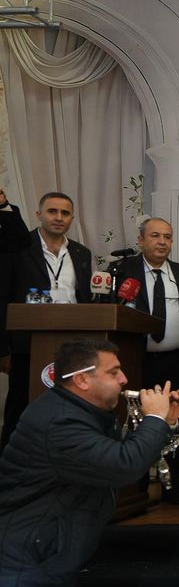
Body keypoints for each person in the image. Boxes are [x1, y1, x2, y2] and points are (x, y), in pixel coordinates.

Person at [0, 339, 179, 587]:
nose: (124, 379)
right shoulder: (59, 422)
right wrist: (154, 419)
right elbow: (123, 465)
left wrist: (163, 422)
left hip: (51, 568)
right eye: (113, 372)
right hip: (24, 575)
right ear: (82, 379)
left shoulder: (81, 414)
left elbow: (115, 455)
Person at [0, 192, 93, 451]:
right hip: (26, 346)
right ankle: (9, 469)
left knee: (68, 409)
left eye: (65, 213)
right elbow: (3, 296)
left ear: (72, 218)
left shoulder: (81, 252)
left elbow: (83, 298)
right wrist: (3, 347)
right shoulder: (18, 247)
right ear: (39, 214)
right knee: (20, 409)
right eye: (52, 211)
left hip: (71, 347)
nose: (59, 217)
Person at [116, 218, 179, 504]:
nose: (162, 242)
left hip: (177, 362)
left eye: (167, 237)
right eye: (155, 236)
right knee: (134, 422)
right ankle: (134, 486)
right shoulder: (122, 272)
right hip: (135, 363)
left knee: (177, 423)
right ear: (141, 240)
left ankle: (173, 485)